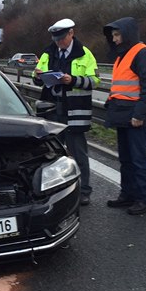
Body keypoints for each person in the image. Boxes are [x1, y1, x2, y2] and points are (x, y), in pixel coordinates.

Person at [33, 18, 100, 206]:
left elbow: (95, 80)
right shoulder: (49, 52)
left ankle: (84, 191)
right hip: (52, 110)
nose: (58, 42)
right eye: (55, 39)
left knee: (78, 153)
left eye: (61, 38)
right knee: (52, 154)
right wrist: (38, 75)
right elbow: (37, 75)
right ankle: (58, 191)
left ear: (71, 33)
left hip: (75, 111)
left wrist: (73, 80)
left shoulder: (84, 54)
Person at [103, 17, 146, 215]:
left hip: (136, 115)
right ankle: (127, 194)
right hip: (122, 113)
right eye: (113, 36)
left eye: (117, 35)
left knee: (138, 159)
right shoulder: (123, 55)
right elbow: (121, 85)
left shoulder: (143, 54)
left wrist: (139, 114)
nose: (115, 39)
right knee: (126, 159)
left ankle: (143, 199)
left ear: (127, 34)